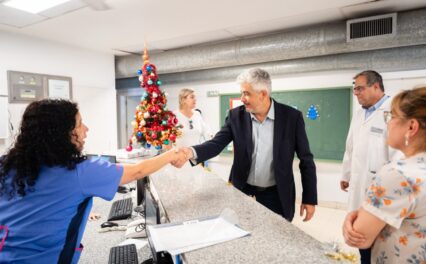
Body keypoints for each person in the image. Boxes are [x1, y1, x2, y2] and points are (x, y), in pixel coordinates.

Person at [0, 99, 186, 263]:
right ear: (63, 133)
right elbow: (138, 171)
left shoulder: (7, 165)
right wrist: (172, 154)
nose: (86, 129)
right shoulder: (80, 172)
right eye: (80, 124)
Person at [175, 68, 317, 222]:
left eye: (246, 93)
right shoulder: (236, 116)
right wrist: (190, 152)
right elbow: (216, 144)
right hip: (242, 190)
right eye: (242, 93)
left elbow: (306, 160)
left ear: (263, 94)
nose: (242, 98)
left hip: (277, 194)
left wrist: (309, 198)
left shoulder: (291, 117)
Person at [342, 86, 426, 263]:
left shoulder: (399, 174)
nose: (387, 122)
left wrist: (351, 218)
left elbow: (359, 236)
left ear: (411, 126)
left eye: (392, 117)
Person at [340, 70, 401, 263]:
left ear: (376, 87)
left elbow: (397, 156)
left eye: (359, 88)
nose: (356, 93)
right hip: (359, 185)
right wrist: (346, 174)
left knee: (380, 240)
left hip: (382, 191)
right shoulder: (359, 114)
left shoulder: (394, 113)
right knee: (361, 239)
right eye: (354, 89)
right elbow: (351, 147)